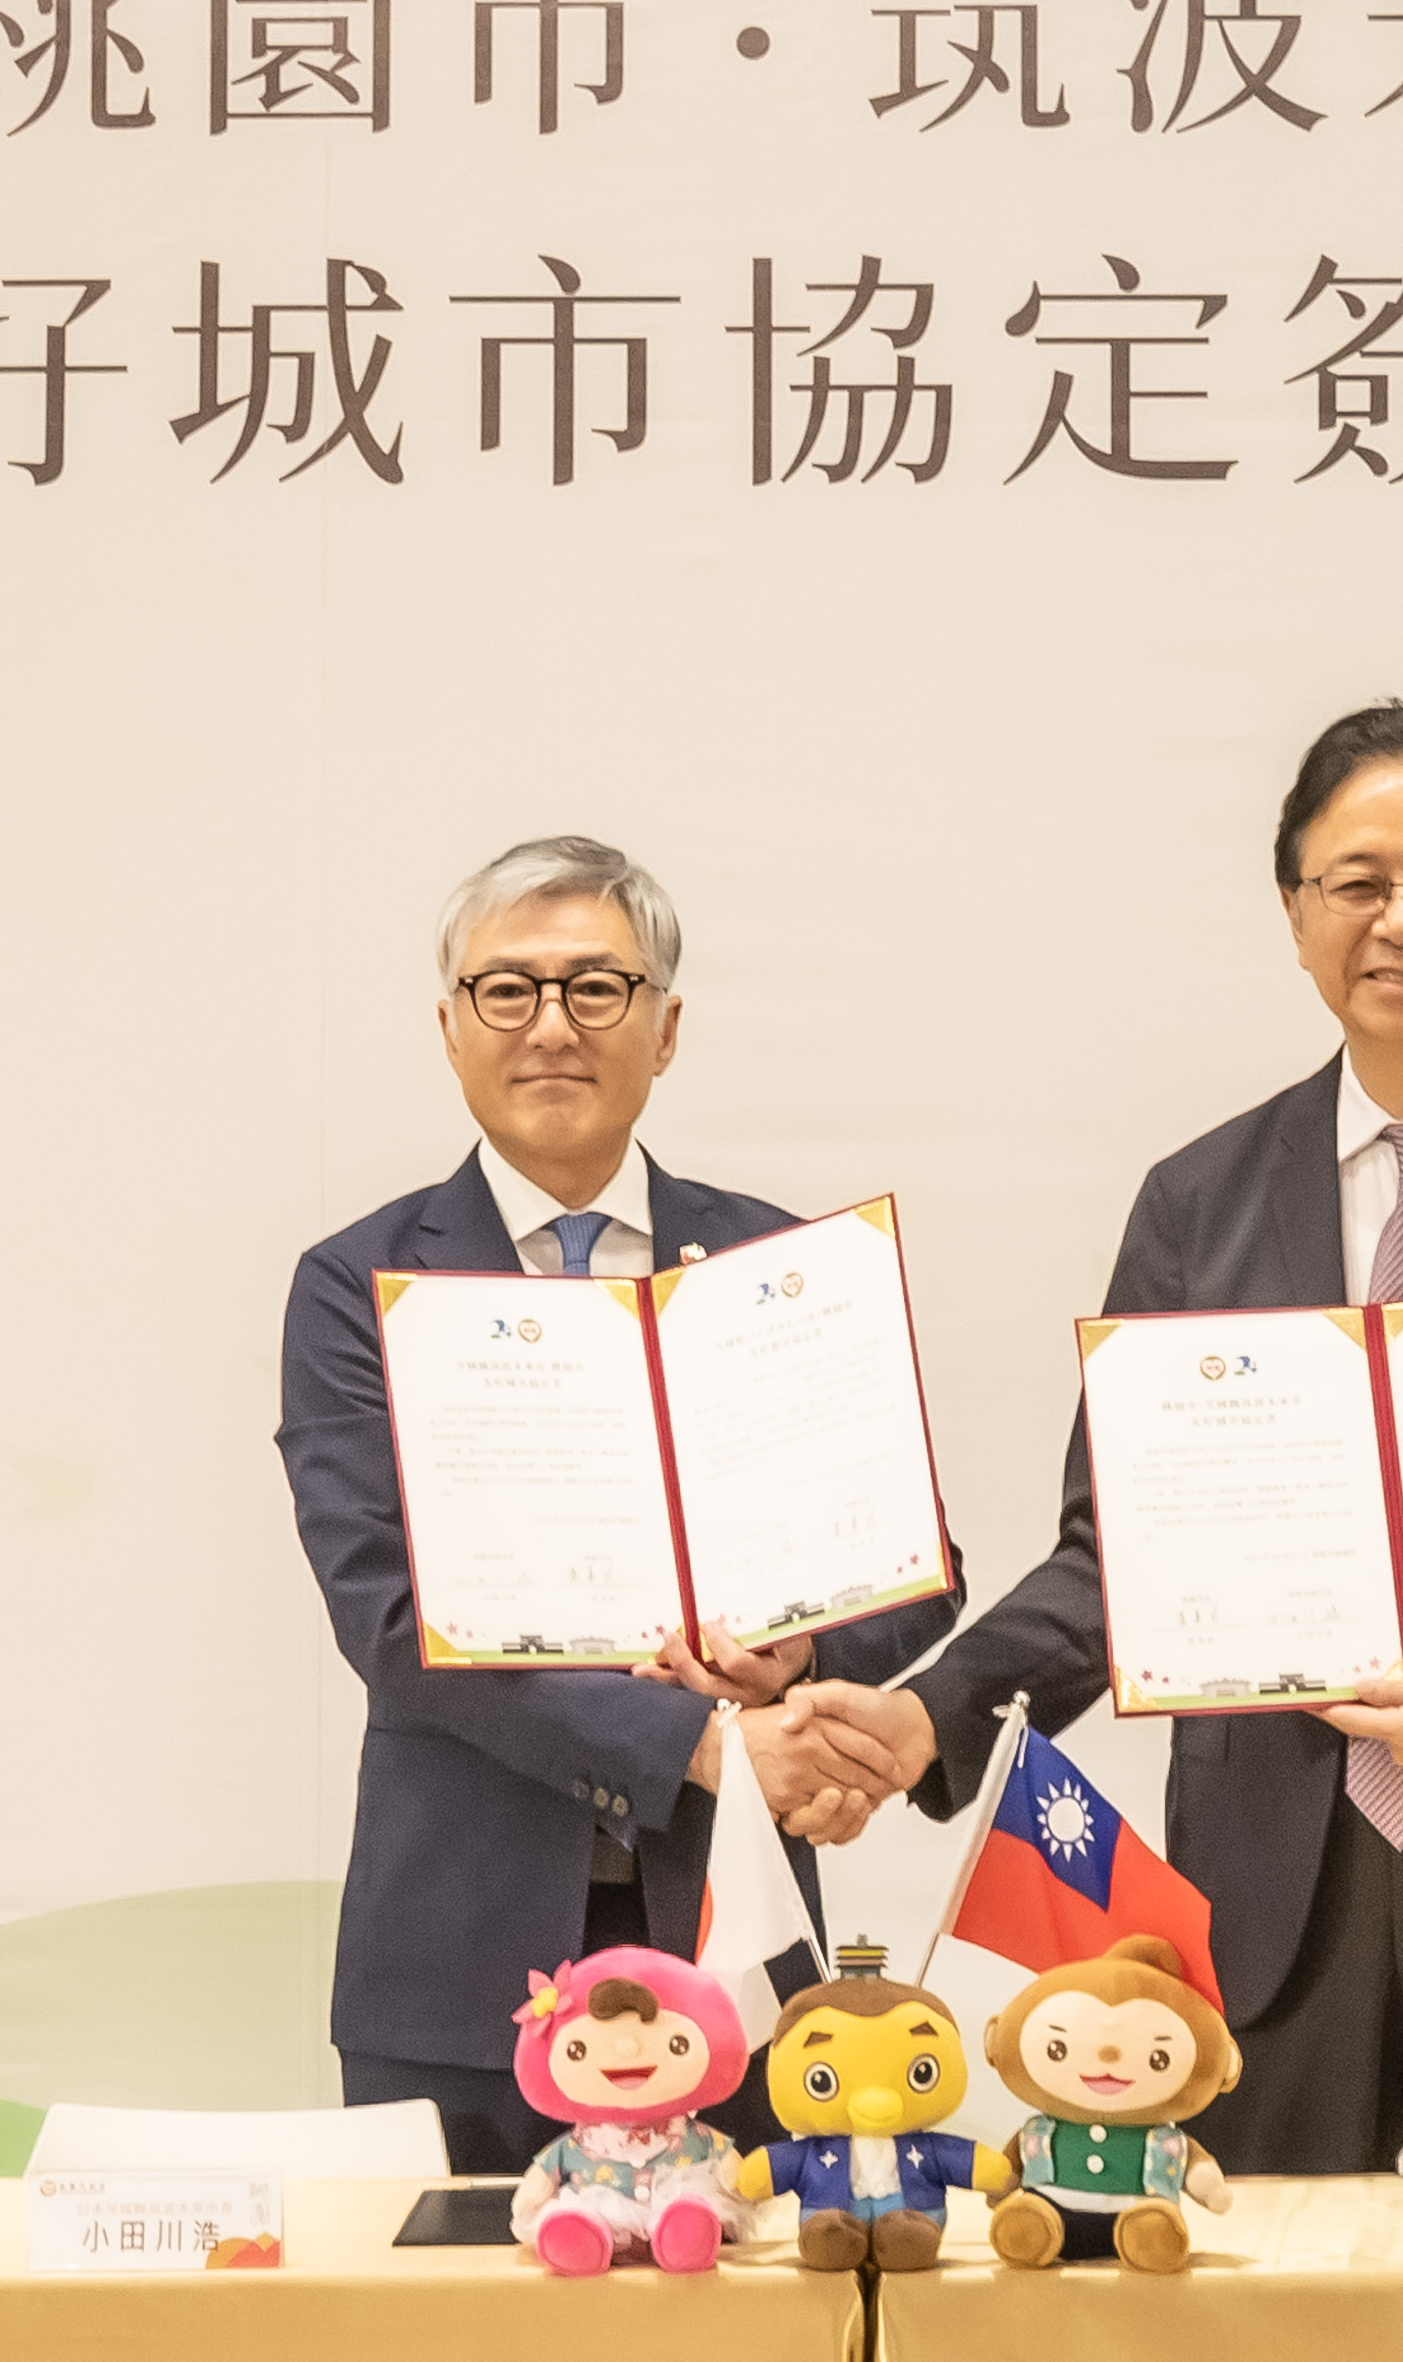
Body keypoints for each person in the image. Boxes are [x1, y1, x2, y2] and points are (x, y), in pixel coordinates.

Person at [789, 704, 1403, 2171]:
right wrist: (932, 1715)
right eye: (1357, 884)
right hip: (1278, 1876)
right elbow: (1119, 1550)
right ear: (1295, 916)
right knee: (1273, 2276)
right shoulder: (1198, 1201)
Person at [280, 834, 962, 2173]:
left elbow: (916, 1561)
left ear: (667, 1028)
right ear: (449, 1028)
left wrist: (798, 1657)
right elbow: (390, 1616)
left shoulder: (779, 1264)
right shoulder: (358, 1283)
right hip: (464, 1958)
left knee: (744, 2275)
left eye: (597, 987)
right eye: (507, 990)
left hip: (736, 1942)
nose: (552, 1025)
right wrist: (700, 1744)